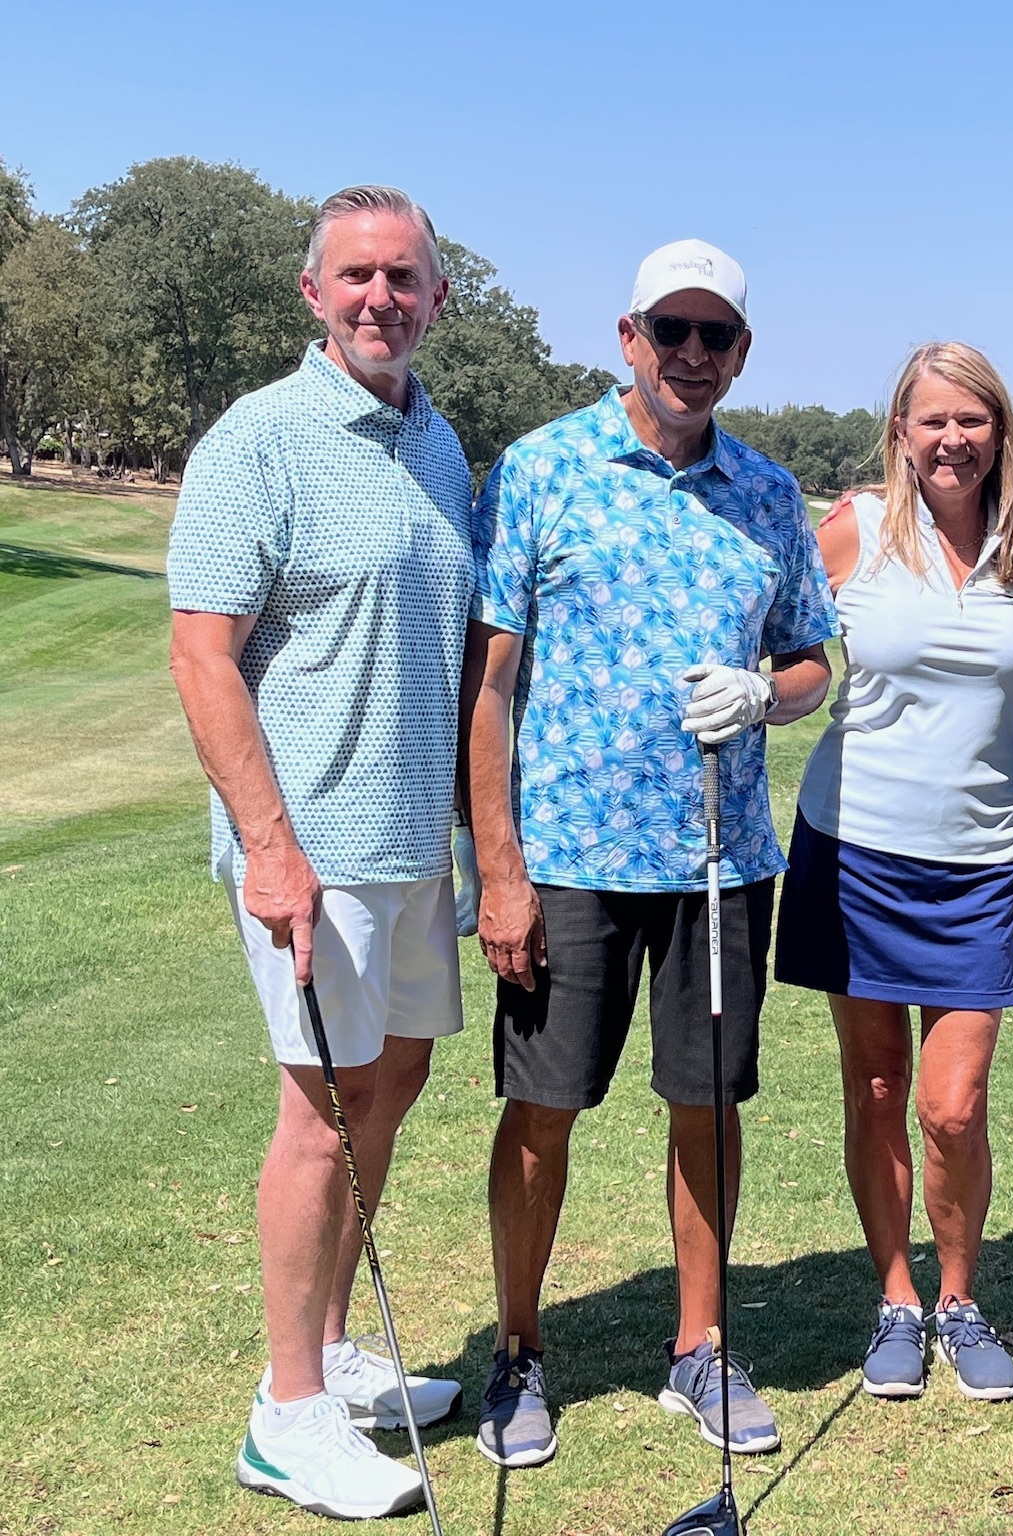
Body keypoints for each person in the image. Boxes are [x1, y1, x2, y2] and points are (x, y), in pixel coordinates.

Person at [463, 240, 836, 1469]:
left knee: (707, 1110)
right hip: (568, 855)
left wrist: (767, 693)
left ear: (741, 352)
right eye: (668, 329)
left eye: (713, 335)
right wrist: (499, 870)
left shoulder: (768, 493)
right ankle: (519, 1351)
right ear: (627, 338)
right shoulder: (543, 466)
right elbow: (490, 684)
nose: (690, 353)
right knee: (541, 1110)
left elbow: (811, 663)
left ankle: (700, 1347)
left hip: (719, 861)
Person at [167, 185, 475, 1520]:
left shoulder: (438, 442)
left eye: (403, 277)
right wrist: (269, 846)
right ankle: (285, 1416)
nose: (379, 298)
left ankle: (334, 1351)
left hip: (411, 846)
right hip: (313, 850)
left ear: (437, 298)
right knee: (320, 1115)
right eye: (356, 276)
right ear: (313, 292)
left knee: (389, 1083)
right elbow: (202, 656)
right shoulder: (259, 440)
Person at [776, 342, 1013, 1403]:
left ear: (999, 433)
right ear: (901, 432)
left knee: (953, 1105)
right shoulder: (854, 529)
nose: (951, 439)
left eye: (971, 420)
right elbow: (790, 650)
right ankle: (897, 1297)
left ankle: (960, 1298)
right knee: (879, 1084)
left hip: (975, 864)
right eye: (932, 420)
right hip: (853, 848)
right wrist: (758, 694)